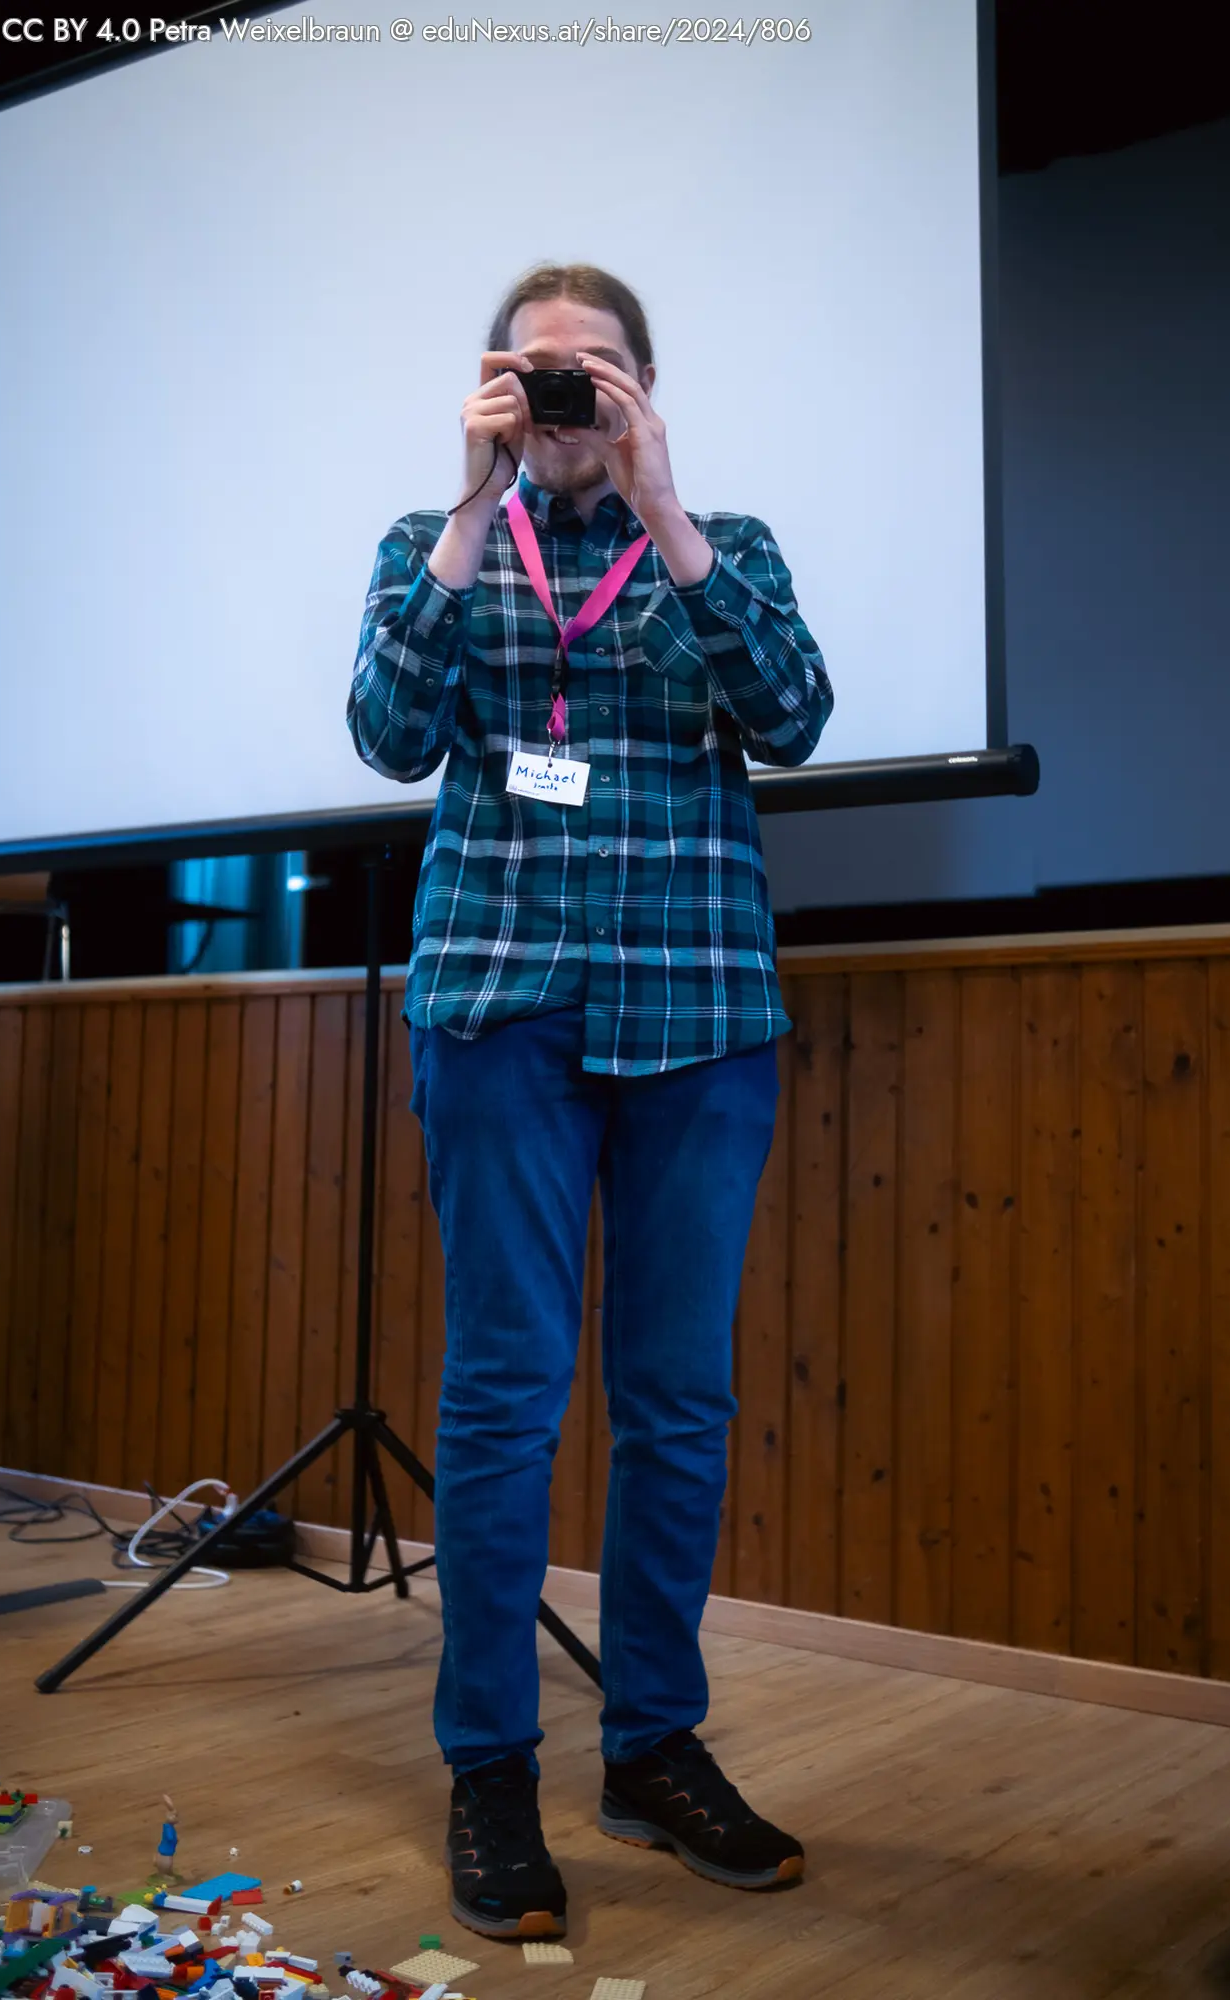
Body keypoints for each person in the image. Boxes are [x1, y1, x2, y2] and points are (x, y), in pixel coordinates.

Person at [347, 262, 832, 1943]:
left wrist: (667, 507)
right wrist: (472, 513)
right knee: (502, 1399)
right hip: (501, 1011)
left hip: (698, 1013)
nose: (564, 396)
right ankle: (492, 1763)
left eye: (595, 371)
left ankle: (652, 1748)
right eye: (535, 370)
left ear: (641, 384)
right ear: (495, 386)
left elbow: (796, 719)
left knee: (677, 1402)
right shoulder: (439, 544)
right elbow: (386, 739)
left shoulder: (727, 543)